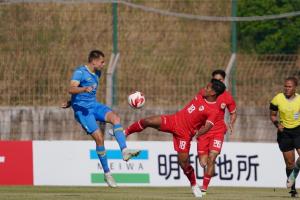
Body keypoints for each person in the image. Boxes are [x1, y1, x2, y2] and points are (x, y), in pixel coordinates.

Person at [125, 79, 226, 198]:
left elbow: (208, 126)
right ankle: (124, 133)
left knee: (183, 163)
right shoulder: (201, 93)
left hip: (184, 135)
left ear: (213, 93)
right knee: (148, 121)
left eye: (208, 88)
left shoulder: (213, 111)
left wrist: (199, 133)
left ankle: (194, 184)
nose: (205, 88)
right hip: (174, 120)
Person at [62, 50, 140, 188]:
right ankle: (107, 174)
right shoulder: (80, 72)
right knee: (99, 138)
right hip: (83, 111)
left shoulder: (98, 73)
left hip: (94, 105)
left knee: (115, 118)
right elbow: (71, 89)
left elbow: (82, 95)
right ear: (94, 61)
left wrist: (71, 101)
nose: (104, 64)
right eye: (102, 62)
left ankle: (124, 151)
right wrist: (81, 92)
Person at [196, 69, 237, 195]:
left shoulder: (227, 96)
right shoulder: (204, 93)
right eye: (215, 80)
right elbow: (195, 109)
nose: (217, 82)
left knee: (212, 158)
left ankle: (204, 187)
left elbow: (233, 113)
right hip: (203, 132)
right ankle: (209, 167)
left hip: (218, 131)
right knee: (203, 162)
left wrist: (231, 122)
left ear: (223, 80)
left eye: (219, 80)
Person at [270, 77, 300, 197]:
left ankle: (294, 175)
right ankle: (292, 188)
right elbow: (272, 115)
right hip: (284, 133)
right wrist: (277, 124)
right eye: (285, 86)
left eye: (289, 86)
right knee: (289, 163)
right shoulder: (278, 98)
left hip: (298, 130)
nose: (287, 89)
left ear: (295, 88)